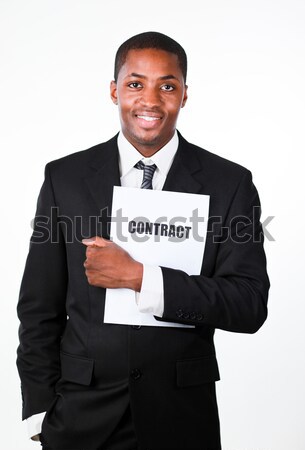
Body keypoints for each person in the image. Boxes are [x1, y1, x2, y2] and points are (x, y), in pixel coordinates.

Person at [16, 31, 270, 450]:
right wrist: (40, 413)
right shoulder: (65, 179)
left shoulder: (230, 184)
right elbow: (38, 307)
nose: (150, 101)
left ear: (184, 95)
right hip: (80, 418)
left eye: (167, 86)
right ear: (115, 90)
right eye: (135, 84)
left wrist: (140, 277)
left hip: (182, 418)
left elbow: (248, 304)